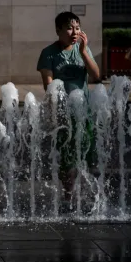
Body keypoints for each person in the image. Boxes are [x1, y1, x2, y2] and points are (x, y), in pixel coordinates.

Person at [37, 11, 100, 201]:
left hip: (84, 112)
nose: (74, 32)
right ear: (58, 30)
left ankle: (92, 195)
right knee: (67, 158)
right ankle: (68, 195)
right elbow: (49, 85)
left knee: (90, 156)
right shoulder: (49, 53)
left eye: (78, 28)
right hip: (64, 114)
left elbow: (96, 76)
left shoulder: (83, 49)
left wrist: (83, 52)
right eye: (70, 28)